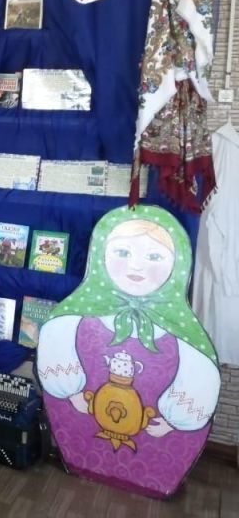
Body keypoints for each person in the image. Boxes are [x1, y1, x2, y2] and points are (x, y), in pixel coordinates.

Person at [36, 206, 219, 497]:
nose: (136, 266)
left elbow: (200, 375)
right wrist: (69, 390)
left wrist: (175, 420)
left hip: (156, 428)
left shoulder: (183, 327)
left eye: (154, 257)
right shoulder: (77, 311)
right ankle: (80, 463)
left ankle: (155, 482)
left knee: (157, 461)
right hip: (85, 414)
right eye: (122, 252)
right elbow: (56, 343)